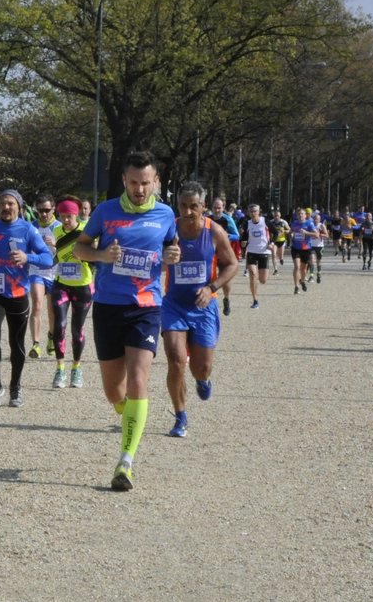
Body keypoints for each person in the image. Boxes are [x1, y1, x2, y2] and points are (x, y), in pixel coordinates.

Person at [74, 151, 181, 491]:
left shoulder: (165, 214)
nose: (139, 189)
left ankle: (126, 462)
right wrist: (101, 255)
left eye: (145, 183)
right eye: (133, 183)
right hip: (108, 305)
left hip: (146, 307)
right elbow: (79, 249)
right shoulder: (106, 212)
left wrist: (171, 257)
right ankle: (126, 410)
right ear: (124, 180)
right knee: (114, 392)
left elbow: (171, 249)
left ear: (156, 182)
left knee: (138, 379)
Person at [160, 181, 238, 439]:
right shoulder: (169, 229)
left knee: (200, 368)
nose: (188, 211)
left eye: (194, 206)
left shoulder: (215, 232)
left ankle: (203, 380)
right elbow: (153, 257)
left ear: (204, 206)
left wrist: (211, 287)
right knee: (176, 360)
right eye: (183, 205)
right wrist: (163, 258)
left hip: (203, 306)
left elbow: (232, 265)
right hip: (174, 304)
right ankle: (180, 416)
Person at [0, 188, 54, 408]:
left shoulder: (28, 230)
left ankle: (15, 386)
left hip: (17, 293)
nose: (6, 208)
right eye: (3, 204)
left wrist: (27, 257)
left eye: (11, 204)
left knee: (16, 344)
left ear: (19, 207)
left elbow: (47, 258)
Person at [49, 198, 93, 388]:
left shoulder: (86, 230)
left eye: (69, 216)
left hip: (83, 286)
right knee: (59, 325)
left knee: (77, 330)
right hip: (62, 284)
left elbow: (96, 255)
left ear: (76, 215)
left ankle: (76, 367)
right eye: (62, 216)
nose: (65, 220)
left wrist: (84, 255)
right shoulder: (56, 231)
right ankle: (60, 369)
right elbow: (57, 258)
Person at [27, 196, 62, 358]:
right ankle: (35, 344)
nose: (43, 214)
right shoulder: (31, 227)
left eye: (47, 210)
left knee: (52, 311)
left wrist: (56, 244)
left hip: (54, 273)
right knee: (37, 305)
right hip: (36, 272)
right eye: (40, 211)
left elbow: (70, 251)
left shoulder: (60, 227)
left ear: (53, 209)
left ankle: (51, 337)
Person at [209, 197, 240, 314]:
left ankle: (226, 298)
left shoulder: (227, 219)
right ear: (212, 208)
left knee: (225, 280)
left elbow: (236, 235)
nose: (217, 210)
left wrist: (227, 236)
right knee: (208, 278)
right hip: (210, 253)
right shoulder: (207, 219)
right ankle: (209, 301)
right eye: (215, 208)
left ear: (223, 208)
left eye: (219, 208)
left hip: (223, 253)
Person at [239, 203, 272, 308]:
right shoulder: (247, 223)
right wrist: (243, 243)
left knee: (263, 280)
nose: (253, 213)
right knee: (253, 274)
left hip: (264, 252)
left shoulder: (265, 221)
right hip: (252, 252)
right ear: (249, 213)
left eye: (255, 211)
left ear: (259, 212)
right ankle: (255, 300)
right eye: (251, 211)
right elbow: (244, 237)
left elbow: (275, 232)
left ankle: (260, 276)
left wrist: (271, 243)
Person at [288, 208, 316, 293]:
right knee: (297, 266)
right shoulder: (294, 223)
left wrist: (306, 233)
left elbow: (316, 234)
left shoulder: (309, 223)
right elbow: (291, 232)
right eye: (299, 214)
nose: (300, 215)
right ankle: (296, 287)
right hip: (296, 248)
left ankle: (302, 281)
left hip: (306, 249)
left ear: (305, 215)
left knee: (303, 269)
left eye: (302, 214)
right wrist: (290, 235)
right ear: (296, 215)